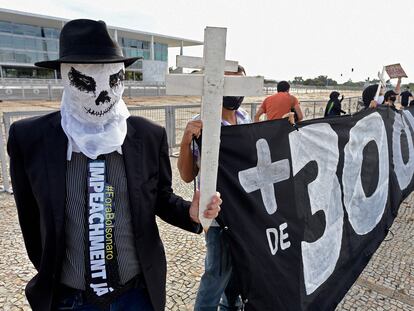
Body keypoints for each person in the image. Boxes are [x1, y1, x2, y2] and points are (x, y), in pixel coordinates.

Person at [7, 19, 221, 311]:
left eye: (113, 78)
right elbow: (29, 219)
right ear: (64, 75)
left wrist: (191, 213)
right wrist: (55, 270)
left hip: (135, 295)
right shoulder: (30, 138)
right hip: (70, 298)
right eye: (86, 80)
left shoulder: (147, 135)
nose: (102, 95)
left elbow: (159, 197)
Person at [177, 65, 249, 311]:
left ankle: (231, 305)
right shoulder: (203, 124)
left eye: (239, 84)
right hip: (218, 217)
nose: (234, 92)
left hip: (244, 212)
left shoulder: (245, 119)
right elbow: (187, 176)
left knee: (237, 269)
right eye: (228, 84)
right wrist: (187, 139)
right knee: (216, 274)